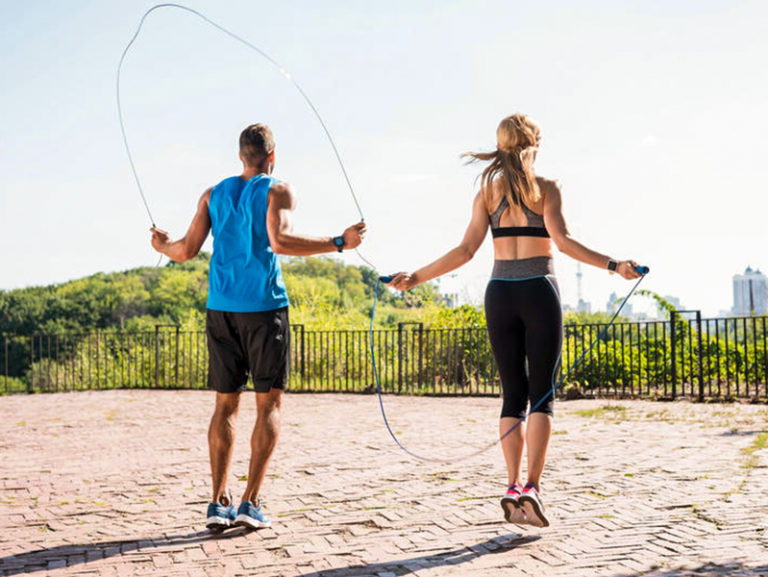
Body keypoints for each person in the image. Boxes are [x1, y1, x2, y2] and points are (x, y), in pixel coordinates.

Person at [388, 113, 641, 528]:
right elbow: (563, 242)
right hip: (539, 289)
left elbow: (466, 250)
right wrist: (616, 265)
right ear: (534, 146)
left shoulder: (488, 193)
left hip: (499, 294)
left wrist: (416, 277)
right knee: (541, 395)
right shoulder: (546, 189)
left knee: (512, 396)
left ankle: (510, 487)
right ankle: (532, 489)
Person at [150, 123, 366, 530]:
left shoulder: (212, 194)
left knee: (225, 405)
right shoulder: (277, 189)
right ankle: (249, 502)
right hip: (264, 309)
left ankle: (217, 502)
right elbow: (280, 241)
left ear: (239, 156)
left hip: (221, 310)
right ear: (272, 155)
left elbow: (184, 250)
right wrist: (341, 241)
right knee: (268, 404)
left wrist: (161, 245)